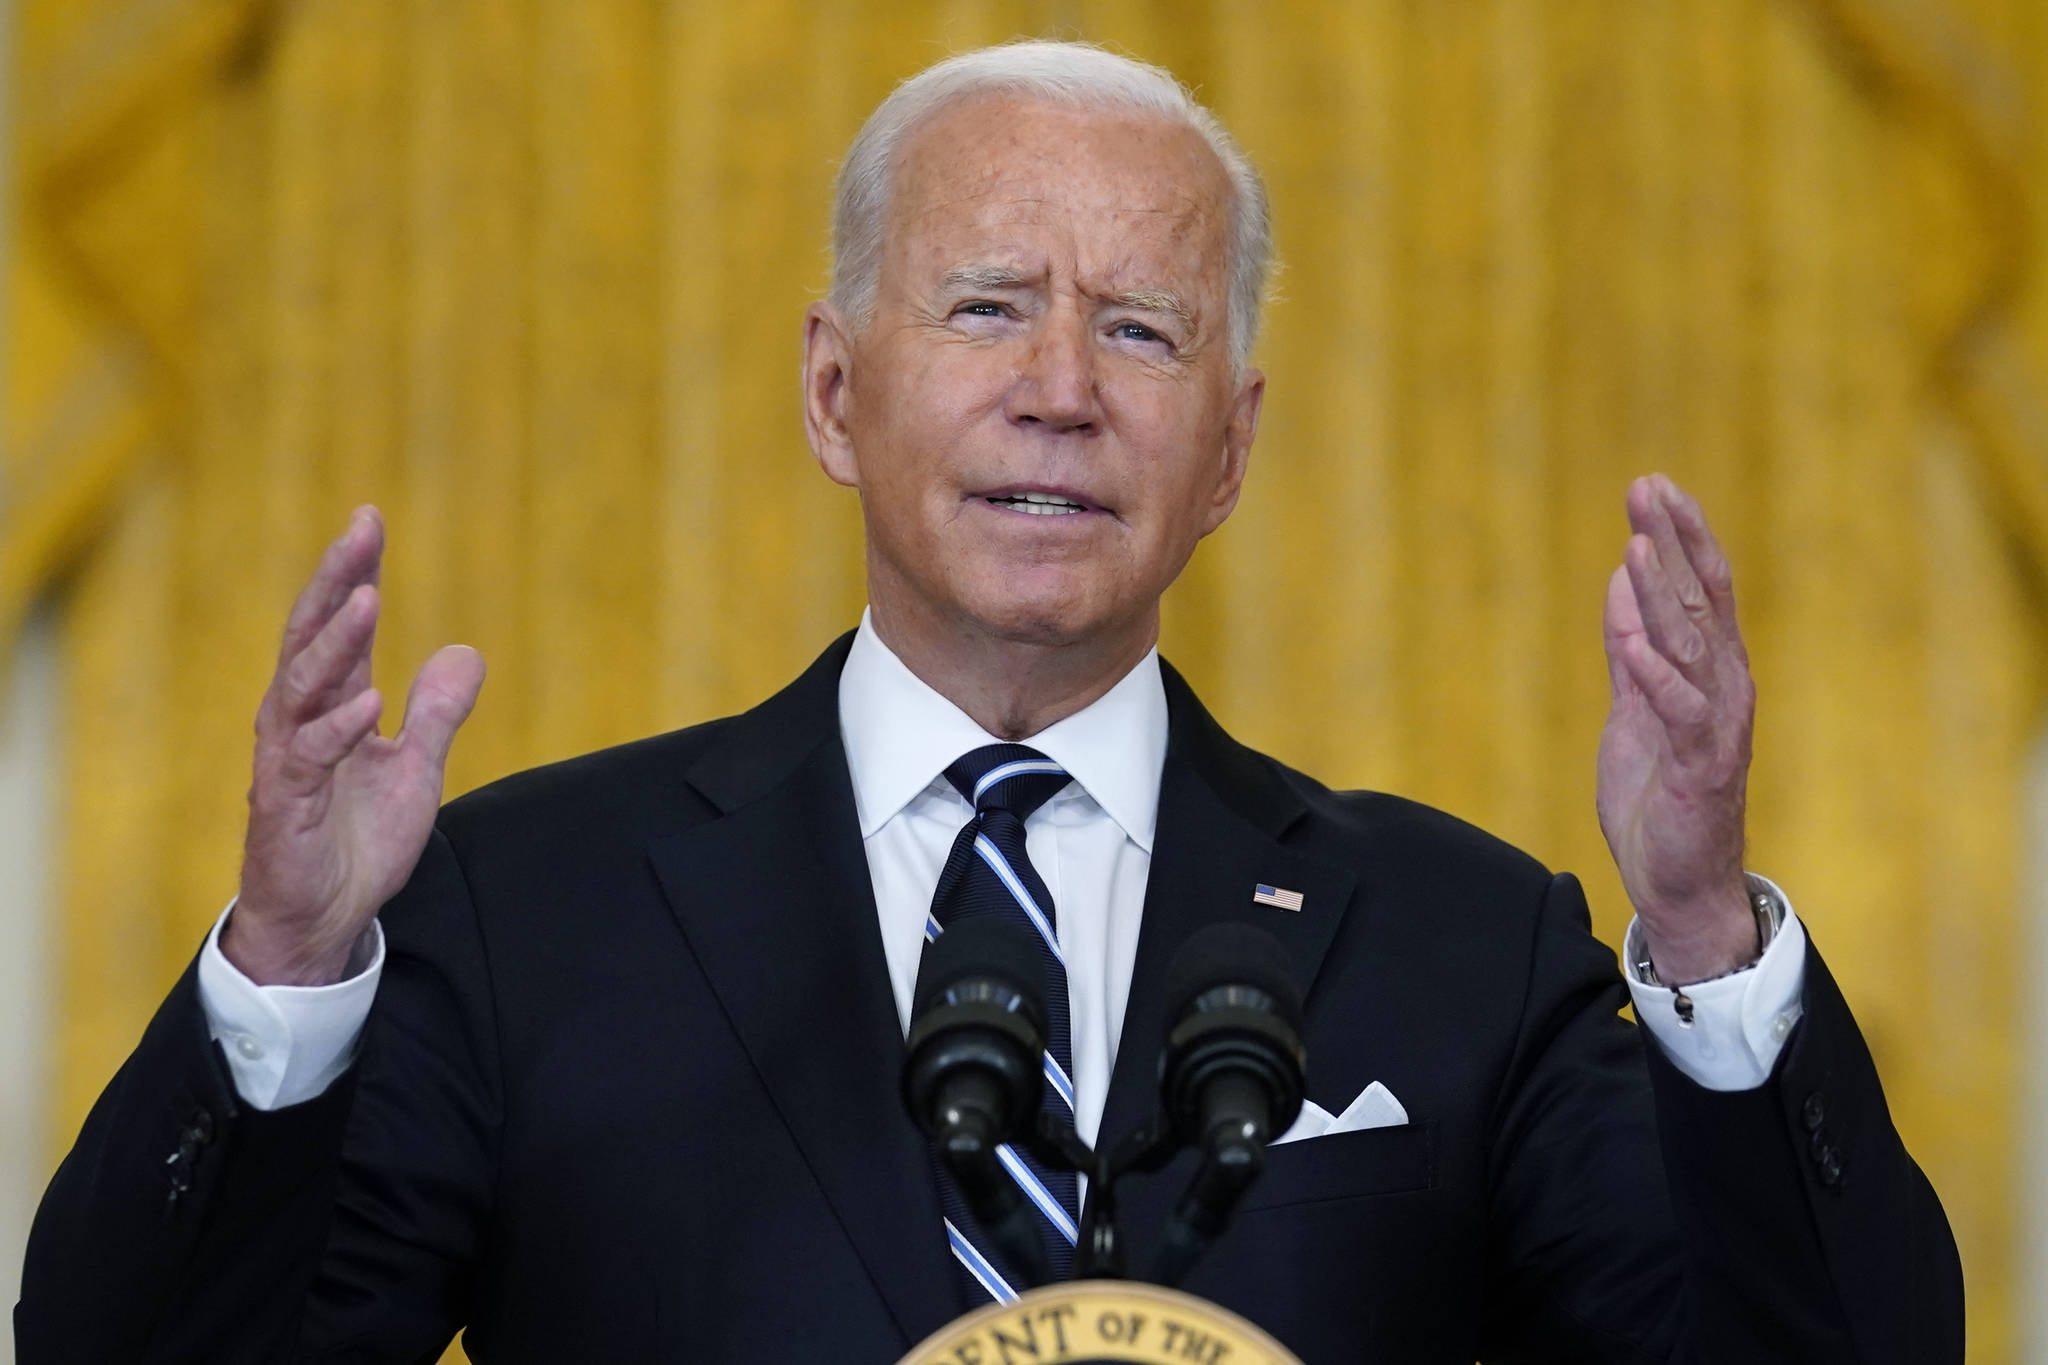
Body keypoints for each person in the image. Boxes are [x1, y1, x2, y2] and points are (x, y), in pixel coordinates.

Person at [15, 40, 1960, 1364]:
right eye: (981, 305)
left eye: (1139, 326)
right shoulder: (522, 907)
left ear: (1229, 445)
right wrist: (283, 961)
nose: (1061, 385)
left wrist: (1703, 930)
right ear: (833, 389)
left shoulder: (1467, 938)